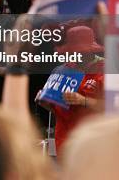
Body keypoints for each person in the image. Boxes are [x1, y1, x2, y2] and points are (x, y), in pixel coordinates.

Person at [37, 25, 104, 156]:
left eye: (80, 51)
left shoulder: (106, 69)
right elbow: (58, 111)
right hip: (63, 145)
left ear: (91, 51)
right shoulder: (60, 70)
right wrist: (46, 103)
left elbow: (115, 107)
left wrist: (84, 100)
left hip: (93, 146)